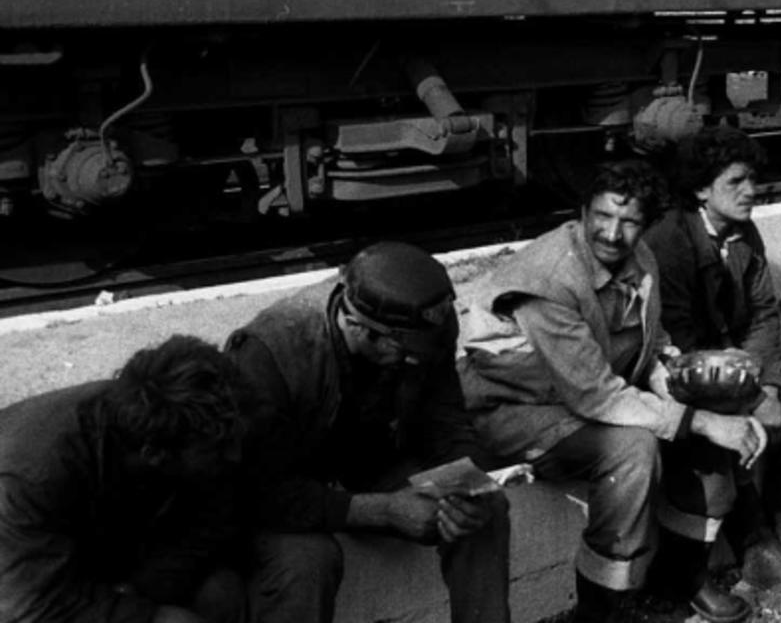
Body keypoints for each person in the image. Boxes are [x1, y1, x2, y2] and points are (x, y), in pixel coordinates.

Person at [459, 165, 763, 623]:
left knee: (703, 414)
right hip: (516, 411)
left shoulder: (640, 258)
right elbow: (596, 396)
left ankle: (683, 577)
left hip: (585, 394)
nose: (613, 233)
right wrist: (701, 421)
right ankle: (601, 610)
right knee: (631, 448)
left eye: (629, 221)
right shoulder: (552, 279)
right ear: (582, 212)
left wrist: (688, 393)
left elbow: (654, 341)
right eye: (601, 216)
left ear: (646, 224)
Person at [227, 243, 511, 623]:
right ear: (358, 327)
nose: (414, 359)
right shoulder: (269, 353)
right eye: (403, 348)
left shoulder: (426, 326)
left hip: (366, 462)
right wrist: (384, 512)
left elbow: (445, 421)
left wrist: (467, 485)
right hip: (286, 489)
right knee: (306, 563)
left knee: (483, 513)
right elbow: (263, 494)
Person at [643, 127, 781, 594]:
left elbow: (764, 317)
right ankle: (754, 545)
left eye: (752, 179)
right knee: (732, 424)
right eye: (735, 182)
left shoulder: (744, 233)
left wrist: (770, 388)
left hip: (743, 370)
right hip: (692, 375)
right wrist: (752, 397)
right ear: (700, 190)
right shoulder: (668, 243)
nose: (750, 191)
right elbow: (679, 342)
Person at [0, 335, 252, 623]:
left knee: (220, 592)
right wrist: (147, 617)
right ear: (155, 453)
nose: (235, 455)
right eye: (218, 448)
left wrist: (146, 588)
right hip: (26, 589)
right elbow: (32, 606)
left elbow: (208, 522)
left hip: (101, 565)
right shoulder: (28, 476)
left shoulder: (175, 425)